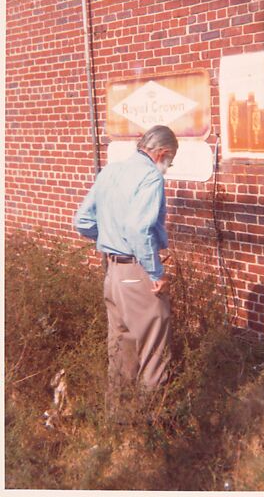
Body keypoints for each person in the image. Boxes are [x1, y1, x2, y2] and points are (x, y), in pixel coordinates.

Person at [74, 125, 178, 421]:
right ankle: (151, 427)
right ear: (163, 153)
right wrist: (156, 273)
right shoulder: (151, 176)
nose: (168, 167)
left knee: (121, 348)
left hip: (113, 274)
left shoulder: (110, 171)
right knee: (153, 349)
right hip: (137, 270)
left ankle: (120, 422)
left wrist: (110, 238)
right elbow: (138, 228)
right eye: (170, 160)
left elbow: (82, 221)